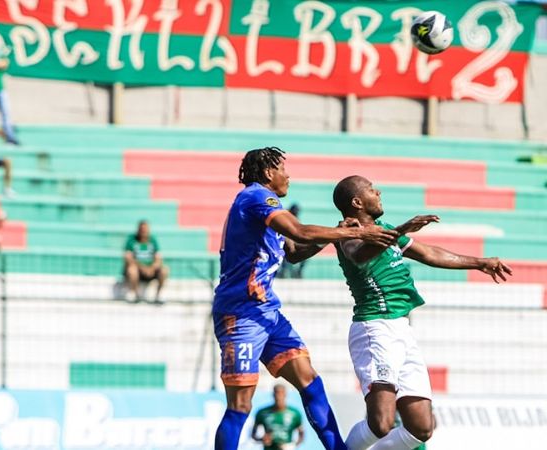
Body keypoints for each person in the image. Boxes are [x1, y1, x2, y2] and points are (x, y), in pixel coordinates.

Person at [212, 147, 398, 450]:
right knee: (241, 404)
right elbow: (299, 231)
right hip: (240, 312)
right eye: (284, 168)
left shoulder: (262, 209)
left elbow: (295, 252)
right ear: (269, 172)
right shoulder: (258, 197)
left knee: (310, 380)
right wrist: (359, 235)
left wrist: (335, 232)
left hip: (266, 311)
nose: (289, 175)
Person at [332, 175, 512, 450]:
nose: (378, 191)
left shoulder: (385, 229)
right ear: (357, 202)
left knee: (421, 427)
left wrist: (479, 263)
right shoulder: (349, 232)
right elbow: (358, 255)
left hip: (402, 329)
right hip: (375, 327)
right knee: (381, 423)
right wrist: (402, 228)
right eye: (371, 189)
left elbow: (429, 254)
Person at [123, 220, 168, 304]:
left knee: (164, 270)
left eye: (145, 229)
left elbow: (158, 258)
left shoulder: (153, 240)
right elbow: (128, 258)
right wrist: (142, 267)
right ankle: (134, 294)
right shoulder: (131, 240)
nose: (143, 231)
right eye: (142, 229)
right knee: (132, 269)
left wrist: (152, 267)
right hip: (138, 270)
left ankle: (159, 295)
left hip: (151, 271)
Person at [252, 384, 306, 450]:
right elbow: (253, 434)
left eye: (281, 393)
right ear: (273, 395)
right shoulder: (262, 412)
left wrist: (293, 445)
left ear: (285, 394)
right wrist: (262, 439)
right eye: (276, 393)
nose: (278, 397)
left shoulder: (295, 413)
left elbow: (301, 434)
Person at [279, 204, 306, 279]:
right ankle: (283, 272)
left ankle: (298, 271)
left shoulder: (296, 219)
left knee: (305, 253)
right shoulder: (285, 217)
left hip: (293, 243)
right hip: (283, 243)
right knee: (286, 252)